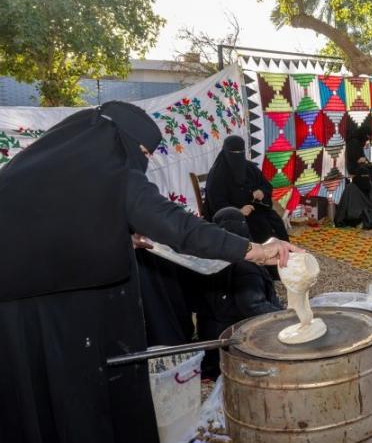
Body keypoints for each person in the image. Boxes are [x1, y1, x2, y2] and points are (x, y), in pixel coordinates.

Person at [0, 102, 299, 443]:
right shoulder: (112, 170)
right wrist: (255, 251)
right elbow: (180, 227)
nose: (142, 159)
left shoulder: (47, 161)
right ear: (121, 139)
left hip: (14, 303)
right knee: (77, 398)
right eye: (142, 150)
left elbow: (54, 226)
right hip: (56, 309)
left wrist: (118, 234)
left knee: (31, 396)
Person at [196, 208, 283, 378]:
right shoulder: (245, 266)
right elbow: (253, 305)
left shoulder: (208, 260)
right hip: (234, 346)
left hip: (210, 342)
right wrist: (283, 318)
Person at [205, 135, 289, 243]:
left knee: (274, 219)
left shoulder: (249, 168)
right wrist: (238, 211)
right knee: (258, 226)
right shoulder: (217, 174)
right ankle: (263, 256)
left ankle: (284, 252)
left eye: (240, 152)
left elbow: (266, 185)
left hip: (254, 210)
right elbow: (216, 204)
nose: (237, 156)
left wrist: (262, 192)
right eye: (233, 153)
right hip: (232, 217)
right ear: (225, 152)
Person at [346, 124, 372, 199]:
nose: (368, 139)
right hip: (356, 168)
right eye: (367, 136)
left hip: (362, 167)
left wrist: (369, 163)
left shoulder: (358, 142)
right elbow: (355, 159)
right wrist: (364, 161)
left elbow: (362, 157)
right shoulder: (353, 142)